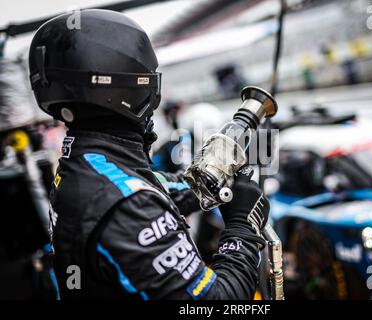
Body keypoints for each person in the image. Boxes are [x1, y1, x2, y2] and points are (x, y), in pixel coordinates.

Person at [28, 9, 269, 299]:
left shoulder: (89, 164)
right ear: (131, 87)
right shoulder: (125, 203)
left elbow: (166, 187)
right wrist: (243, 224)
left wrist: (215, 175)